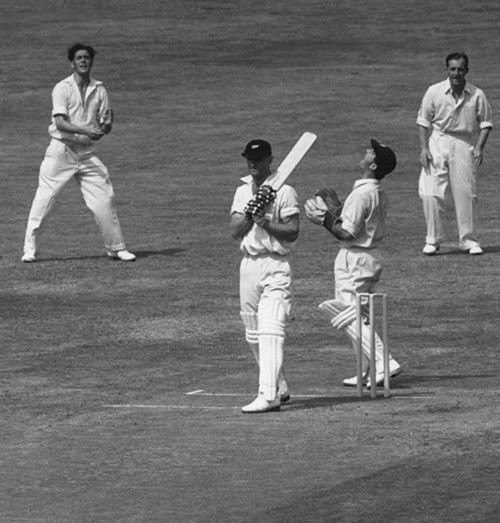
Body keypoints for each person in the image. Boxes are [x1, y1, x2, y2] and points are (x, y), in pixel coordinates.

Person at [22, 43, 135, 262]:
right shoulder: (61, 88)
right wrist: (86, 130)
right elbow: (60, 123)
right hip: (60, 151)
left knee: (104, 199)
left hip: (87, 153)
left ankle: (116, 247)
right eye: (78, 58)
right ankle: (29, 250)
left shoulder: (100, 89)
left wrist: (106, 127)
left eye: (86, 57)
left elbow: (103, 125)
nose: (83, 61)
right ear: (72, 63)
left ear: (91, 61)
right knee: (44, 200)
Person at [304, 139, 402, 388]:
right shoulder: (377, 191)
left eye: (371, 152)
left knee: (348, 314)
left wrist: (324, 218)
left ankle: (384, 362)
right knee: (360, 314)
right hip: (370, 257)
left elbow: (347, 232)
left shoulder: (361, 193)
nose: (366, 151)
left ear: (373, 163)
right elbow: (357, 221)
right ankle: (367, 370)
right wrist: (336, 206)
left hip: (354, 259)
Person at [230, 139, 300, 413]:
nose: (253, 164)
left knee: (271, 327)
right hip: (248, 266)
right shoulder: (242, 190)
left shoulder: (286, 192)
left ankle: (267, 394)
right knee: (253, 332)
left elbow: (292, 231)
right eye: (249, 158)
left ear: (270, 160)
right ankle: (279, 386)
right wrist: (252, 211)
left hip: (275, 264)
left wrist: (266, 223)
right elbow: (235, 230)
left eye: (258, 159)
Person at [417, 52, 493, 256]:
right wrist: (424, 148)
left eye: (460, 69)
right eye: (452, 69)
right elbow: (423, 122)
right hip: (438, 140)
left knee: (466, 193)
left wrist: (478, 147)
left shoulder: (477, 94)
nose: (456, 73)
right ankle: (432, 239)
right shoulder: (434, 91)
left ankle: (469, 240)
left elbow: (486, 124)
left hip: (463, 143)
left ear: (466, 70)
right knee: (431, 192)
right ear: (447, 70)